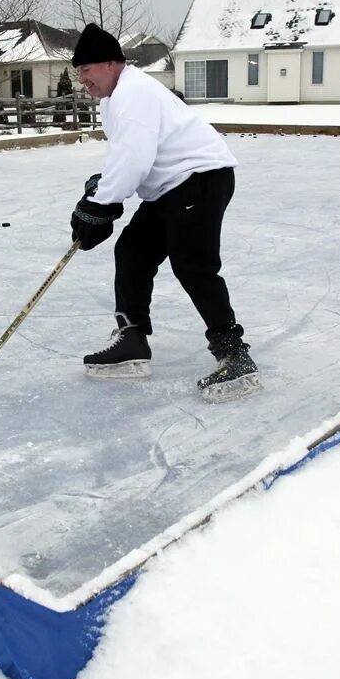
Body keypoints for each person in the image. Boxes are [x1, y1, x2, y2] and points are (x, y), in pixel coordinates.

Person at [67, 23, 259, 402]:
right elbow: (127, 156)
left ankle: (233, 354)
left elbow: (135, 159)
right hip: (172, 186)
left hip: (198, 179)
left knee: (193, 264)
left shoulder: (132, 94)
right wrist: (103, 190)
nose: (82, 81)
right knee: (133, 251)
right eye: (78, 74)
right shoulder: (116, 97)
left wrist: (99, 205)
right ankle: (132, 338)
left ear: (109, 64)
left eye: (85, 71)